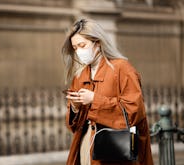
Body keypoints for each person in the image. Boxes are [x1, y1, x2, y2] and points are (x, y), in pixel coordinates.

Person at [61, 18, 154, 165]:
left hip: (115, 149)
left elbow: (134, 113)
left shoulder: (122, 69)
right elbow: (73, 126)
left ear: (97, 42)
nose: (79, 51)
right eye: (75, 48)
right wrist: (75, 107)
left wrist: (94, 99)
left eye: (82, 45)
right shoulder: (80, 75)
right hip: (85, 145)